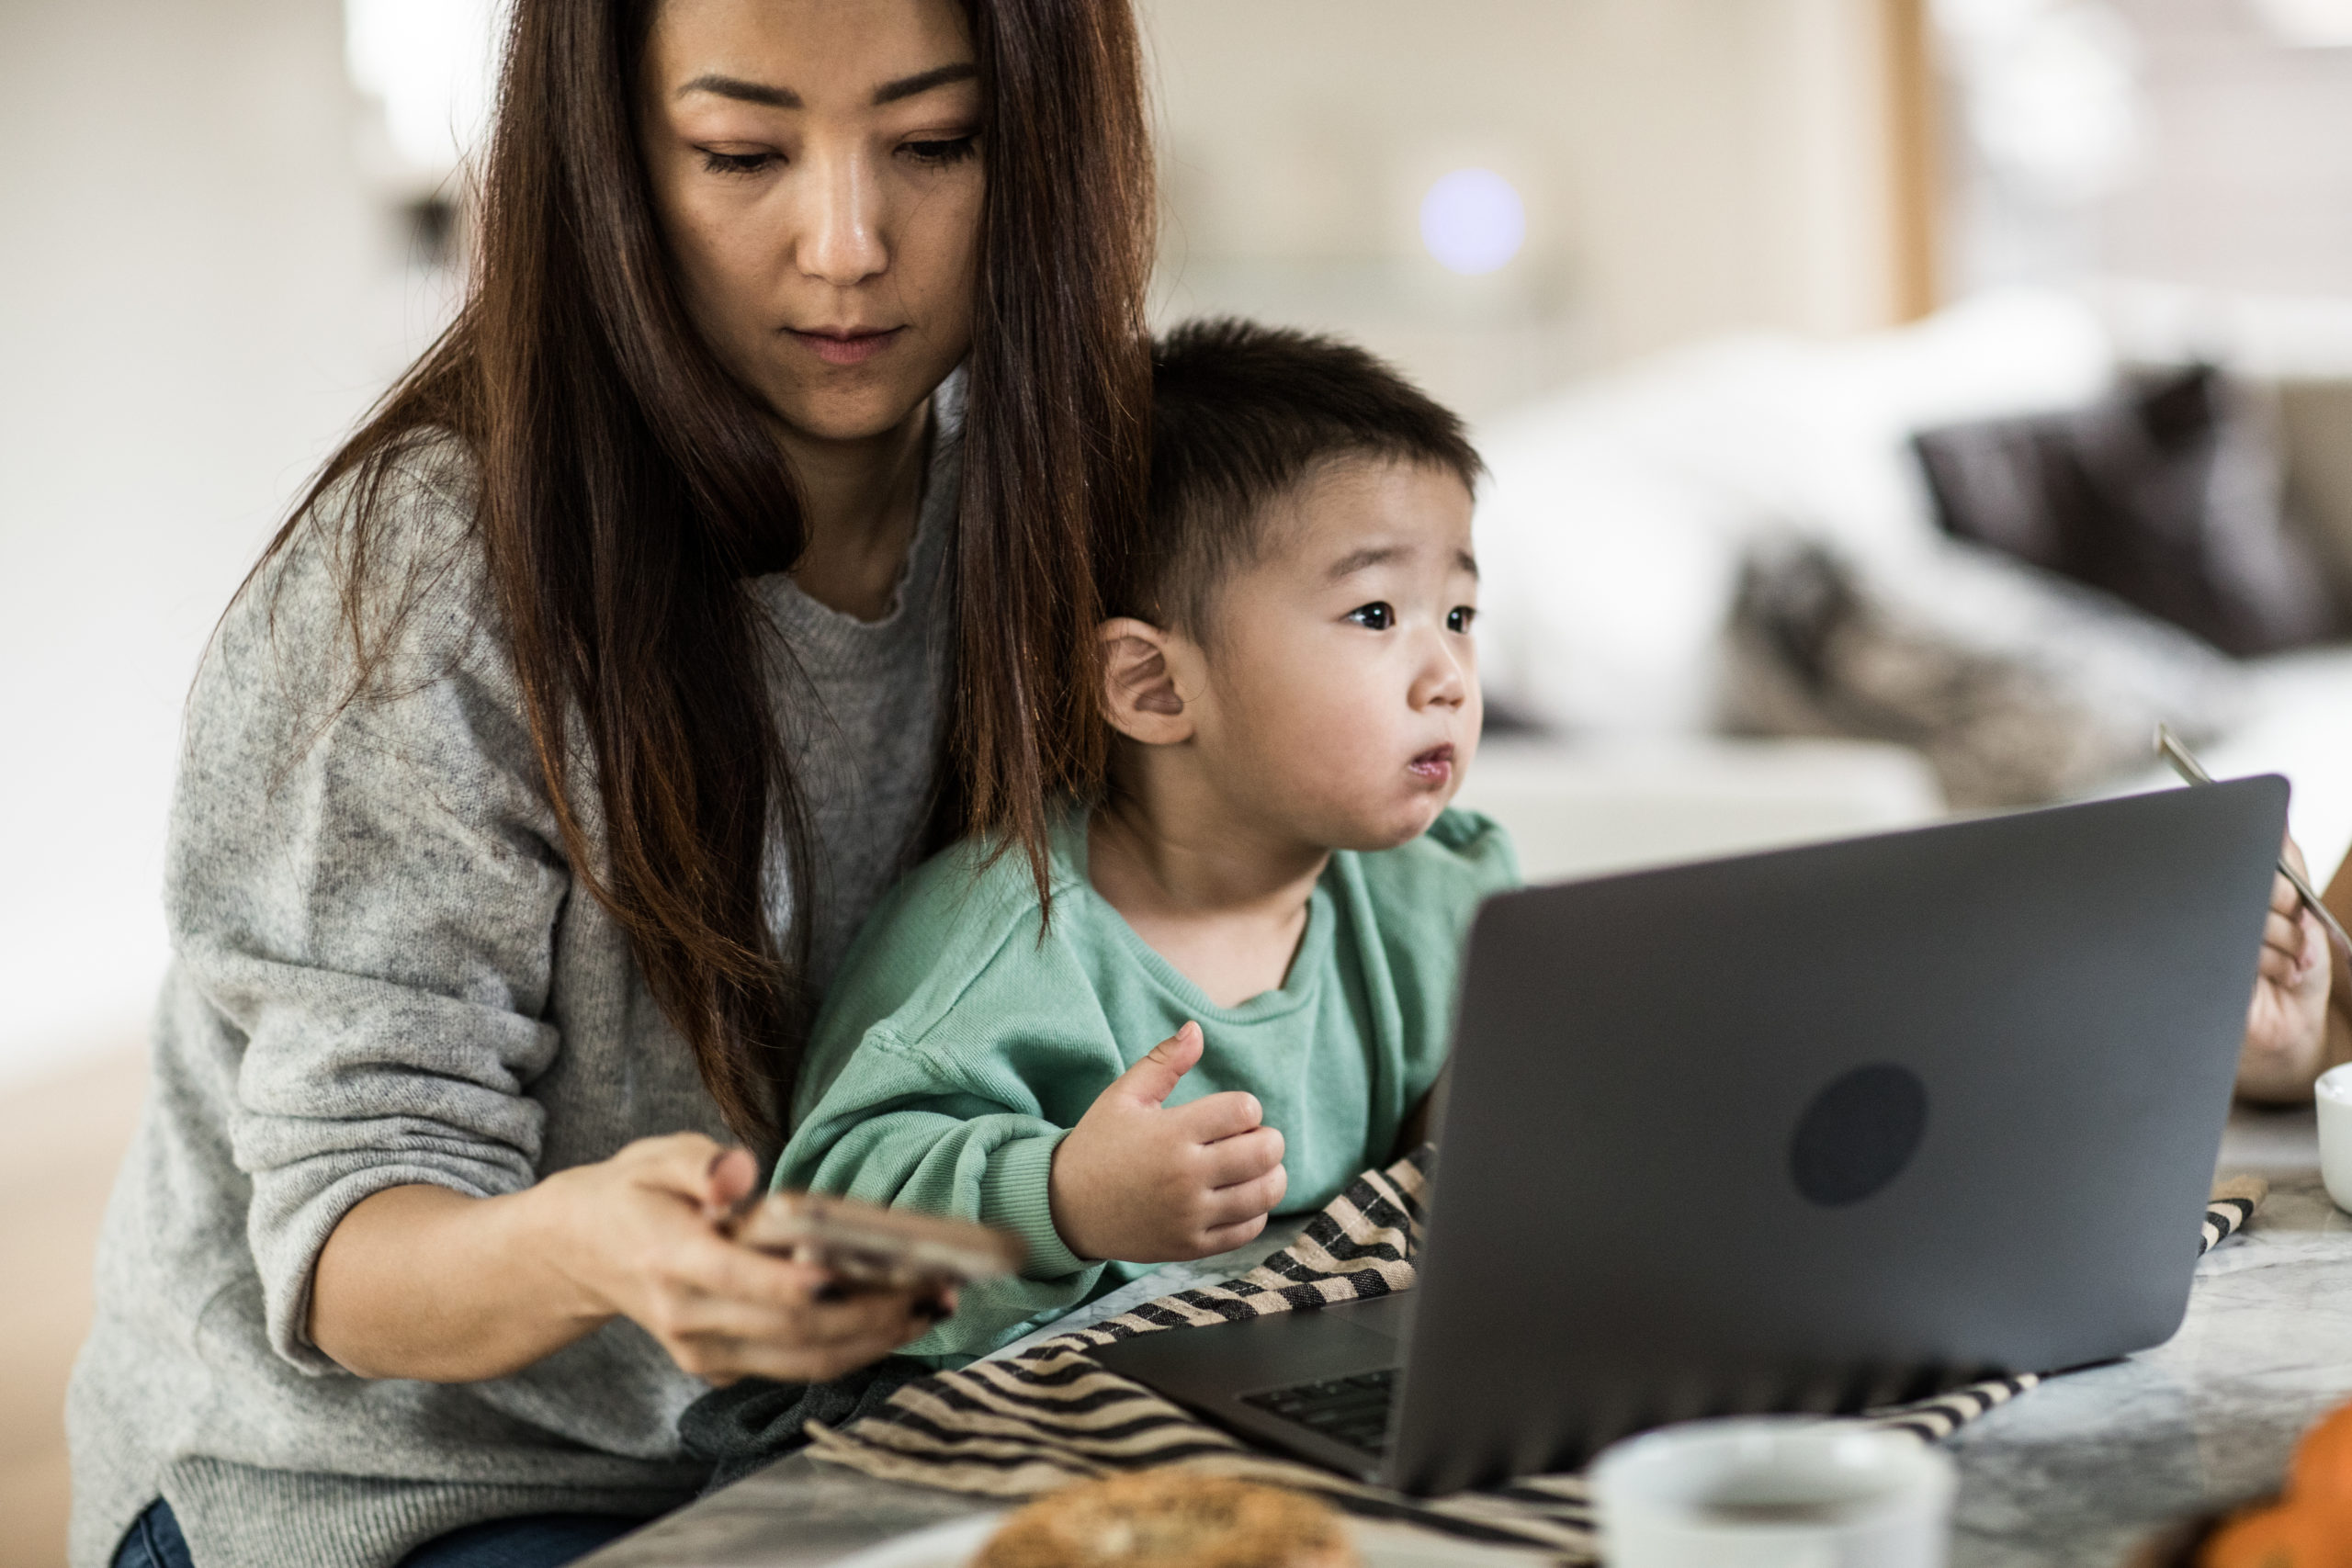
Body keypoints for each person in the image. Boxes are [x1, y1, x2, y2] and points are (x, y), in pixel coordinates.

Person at [67, 1, 1154, 1564]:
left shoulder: (1049, 484)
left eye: (936, 144)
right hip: (381, 1482)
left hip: (802, 1448)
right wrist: (590, 1246)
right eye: (740, 151)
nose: (847, 243)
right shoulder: (431, 581)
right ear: (611, 163)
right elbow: (350, 1256)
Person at [767, 320, 1517, 1361]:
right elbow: (824, 1245)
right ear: (1154, 685)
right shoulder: (1009, 935)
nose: (1446, 676)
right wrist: (1066, 1201)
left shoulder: (1437, 897)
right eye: (1377, 612)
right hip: (1012, 1414)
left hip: (1288, 1379)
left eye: (1462, 616)